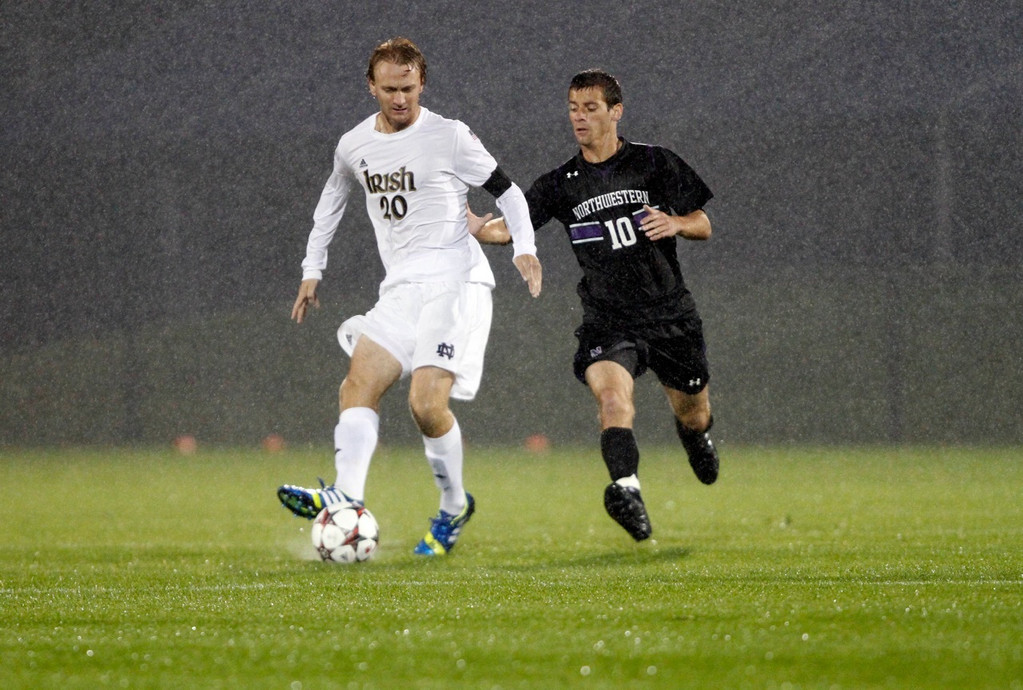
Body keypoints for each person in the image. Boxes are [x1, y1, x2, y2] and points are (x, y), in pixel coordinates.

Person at [277, 37, 542, 557]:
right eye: (391, 90)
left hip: (455, 284)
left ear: (422, 84)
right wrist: (313, 270)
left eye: (410, 88)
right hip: (400, 289)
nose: (401, 100)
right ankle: (346, 495)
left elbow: (507, 191)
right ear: (371, 87)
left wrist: (524, 249)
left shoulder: (449, 136)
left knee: (425, 406)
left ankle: (452, 506)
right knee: (358, 384)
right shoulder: (353, 145)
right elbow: (332, 200)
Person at [469, 69, 718, 542]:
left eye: (590, 108)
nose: (578, 118)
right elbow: (510, 229)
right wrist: (474, 225)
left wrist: (676, 223)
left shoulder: (654, 163)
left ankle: (697, 438)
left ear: (615, 112)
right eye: (572, 109)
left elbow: (703, 223)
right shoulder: (561, 183)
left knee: (692, 408)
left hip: (669, 314)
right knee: (611, 400)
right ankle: (625, 489)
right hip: (609, 319)